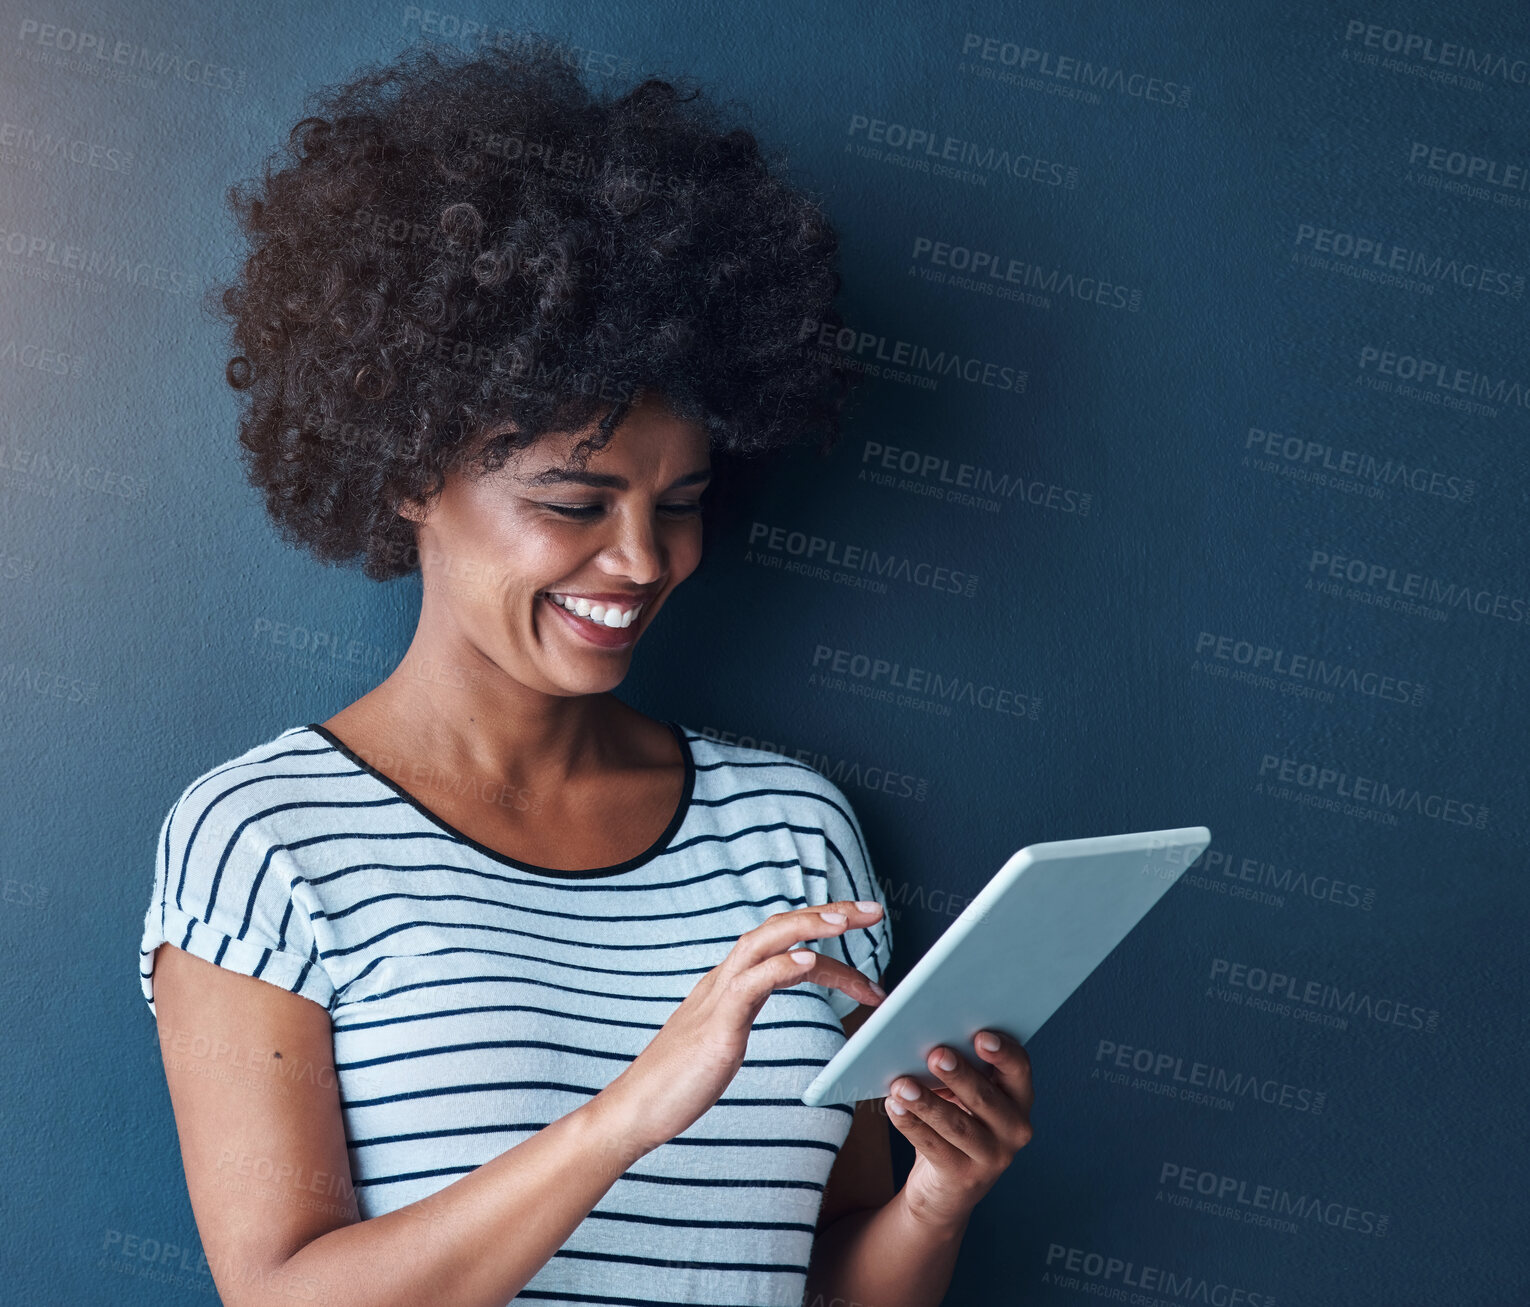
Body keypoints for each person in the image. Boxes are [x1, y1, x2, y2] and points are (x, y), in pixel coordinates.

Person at [138, 35, 1034, 1307]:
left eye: (683, 500)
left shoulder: (791, 831)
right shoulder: (264, 837)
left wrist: (935, 1201)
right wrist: (629, 1112)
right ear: (406, 468)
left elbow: (825, 1283)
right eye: (575, 498)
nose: (643, 558)